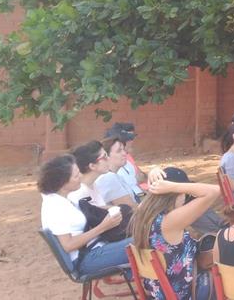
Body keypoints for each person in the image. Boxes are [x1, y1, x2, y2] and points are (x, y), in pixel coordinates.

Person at [128, 167, 221, 300]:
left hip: (159, 291)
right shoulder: (169, 221)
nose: (185, 198)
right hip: (184, 292)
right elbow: (214, 191)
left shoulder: (142, 213)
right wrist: (176, 186)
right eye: (185, 194)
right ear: (177, 194)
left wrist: (154, 174)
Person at [38, 154, 131, 276]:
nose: (81, 177)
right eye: (76, 176)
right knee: (147, 241)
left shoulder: (64, 199)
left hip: (95, 249)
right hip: (86, 259)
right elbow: (68, 245)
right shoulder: (55, 207)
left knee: (146, 236)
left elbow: (89, 209)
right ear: (62, 182)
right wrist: (103, 226)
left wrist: (114, 209)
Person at [68, 140, 117, 207]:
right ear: (92, 166)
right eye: (104, 156)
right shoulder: (79, 194)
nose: (108, 158)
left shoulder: (92, 184)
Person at [95, 136, 140, 208]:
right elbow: (131, 208)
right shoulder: (108, 177)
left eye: (123, 149)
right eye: (119, 151)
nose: (124, 153)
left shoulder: (115, 176)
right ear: (107, 156)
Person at [105, 122, 146, 199]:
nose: (132, 141)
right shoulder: (109, 175)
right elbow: (130, 198)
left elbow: (142, 178)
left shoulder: (126, 161)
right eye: (128, 139)